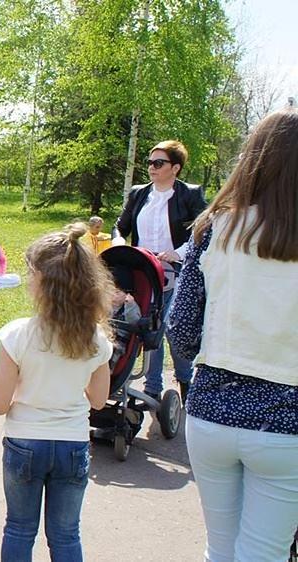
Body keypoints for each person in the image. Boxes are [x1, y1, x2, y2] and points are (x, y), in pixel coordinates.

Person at [168, 109, 298, 562]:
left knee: (220, 550)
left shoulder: (215, 226)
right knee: (264, 553)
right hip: (287, 421)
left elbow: (181, 329)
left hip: (212, 411)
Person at [0, 224, 113, 561]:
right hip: (72, 445)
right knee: (66, 534)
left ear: (40, 281)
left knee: (18, 528)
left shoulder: (17, 335)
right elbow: (99, 400)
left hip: (25, 442)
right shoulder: (96, 340)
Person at [116, 140, 207, 401]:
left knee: (172, 327)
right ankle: (153, 388)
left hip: (177, 271)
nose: (152, 168)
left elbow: (204, 231)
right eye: (149, 163)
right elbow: (120, 227)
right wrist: (119, 243)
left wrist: (177, 253)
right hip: (144, 271)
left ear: (175, 168)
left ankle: (185, 379)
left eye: (159, 163)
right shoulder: (139, 193)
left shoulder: (190, 194)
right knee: (150, 327)